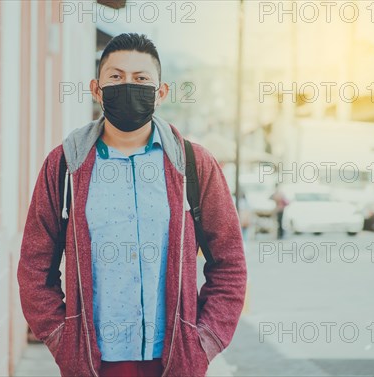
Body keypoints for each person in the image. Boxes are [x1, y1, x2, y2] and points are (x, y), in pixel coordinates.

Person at [17, 33, 247, 377]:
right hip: (93, 363)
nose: (128, 86)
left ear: (161, 91)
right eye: (116, 77)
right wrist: (61, 339)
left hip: (174, 360)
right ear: (97, 89)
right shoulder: (65, 165)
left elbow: (229, 262)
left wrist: (204, 342)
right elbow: (34, 266)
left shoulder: (194, 166)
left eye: (141, 79)